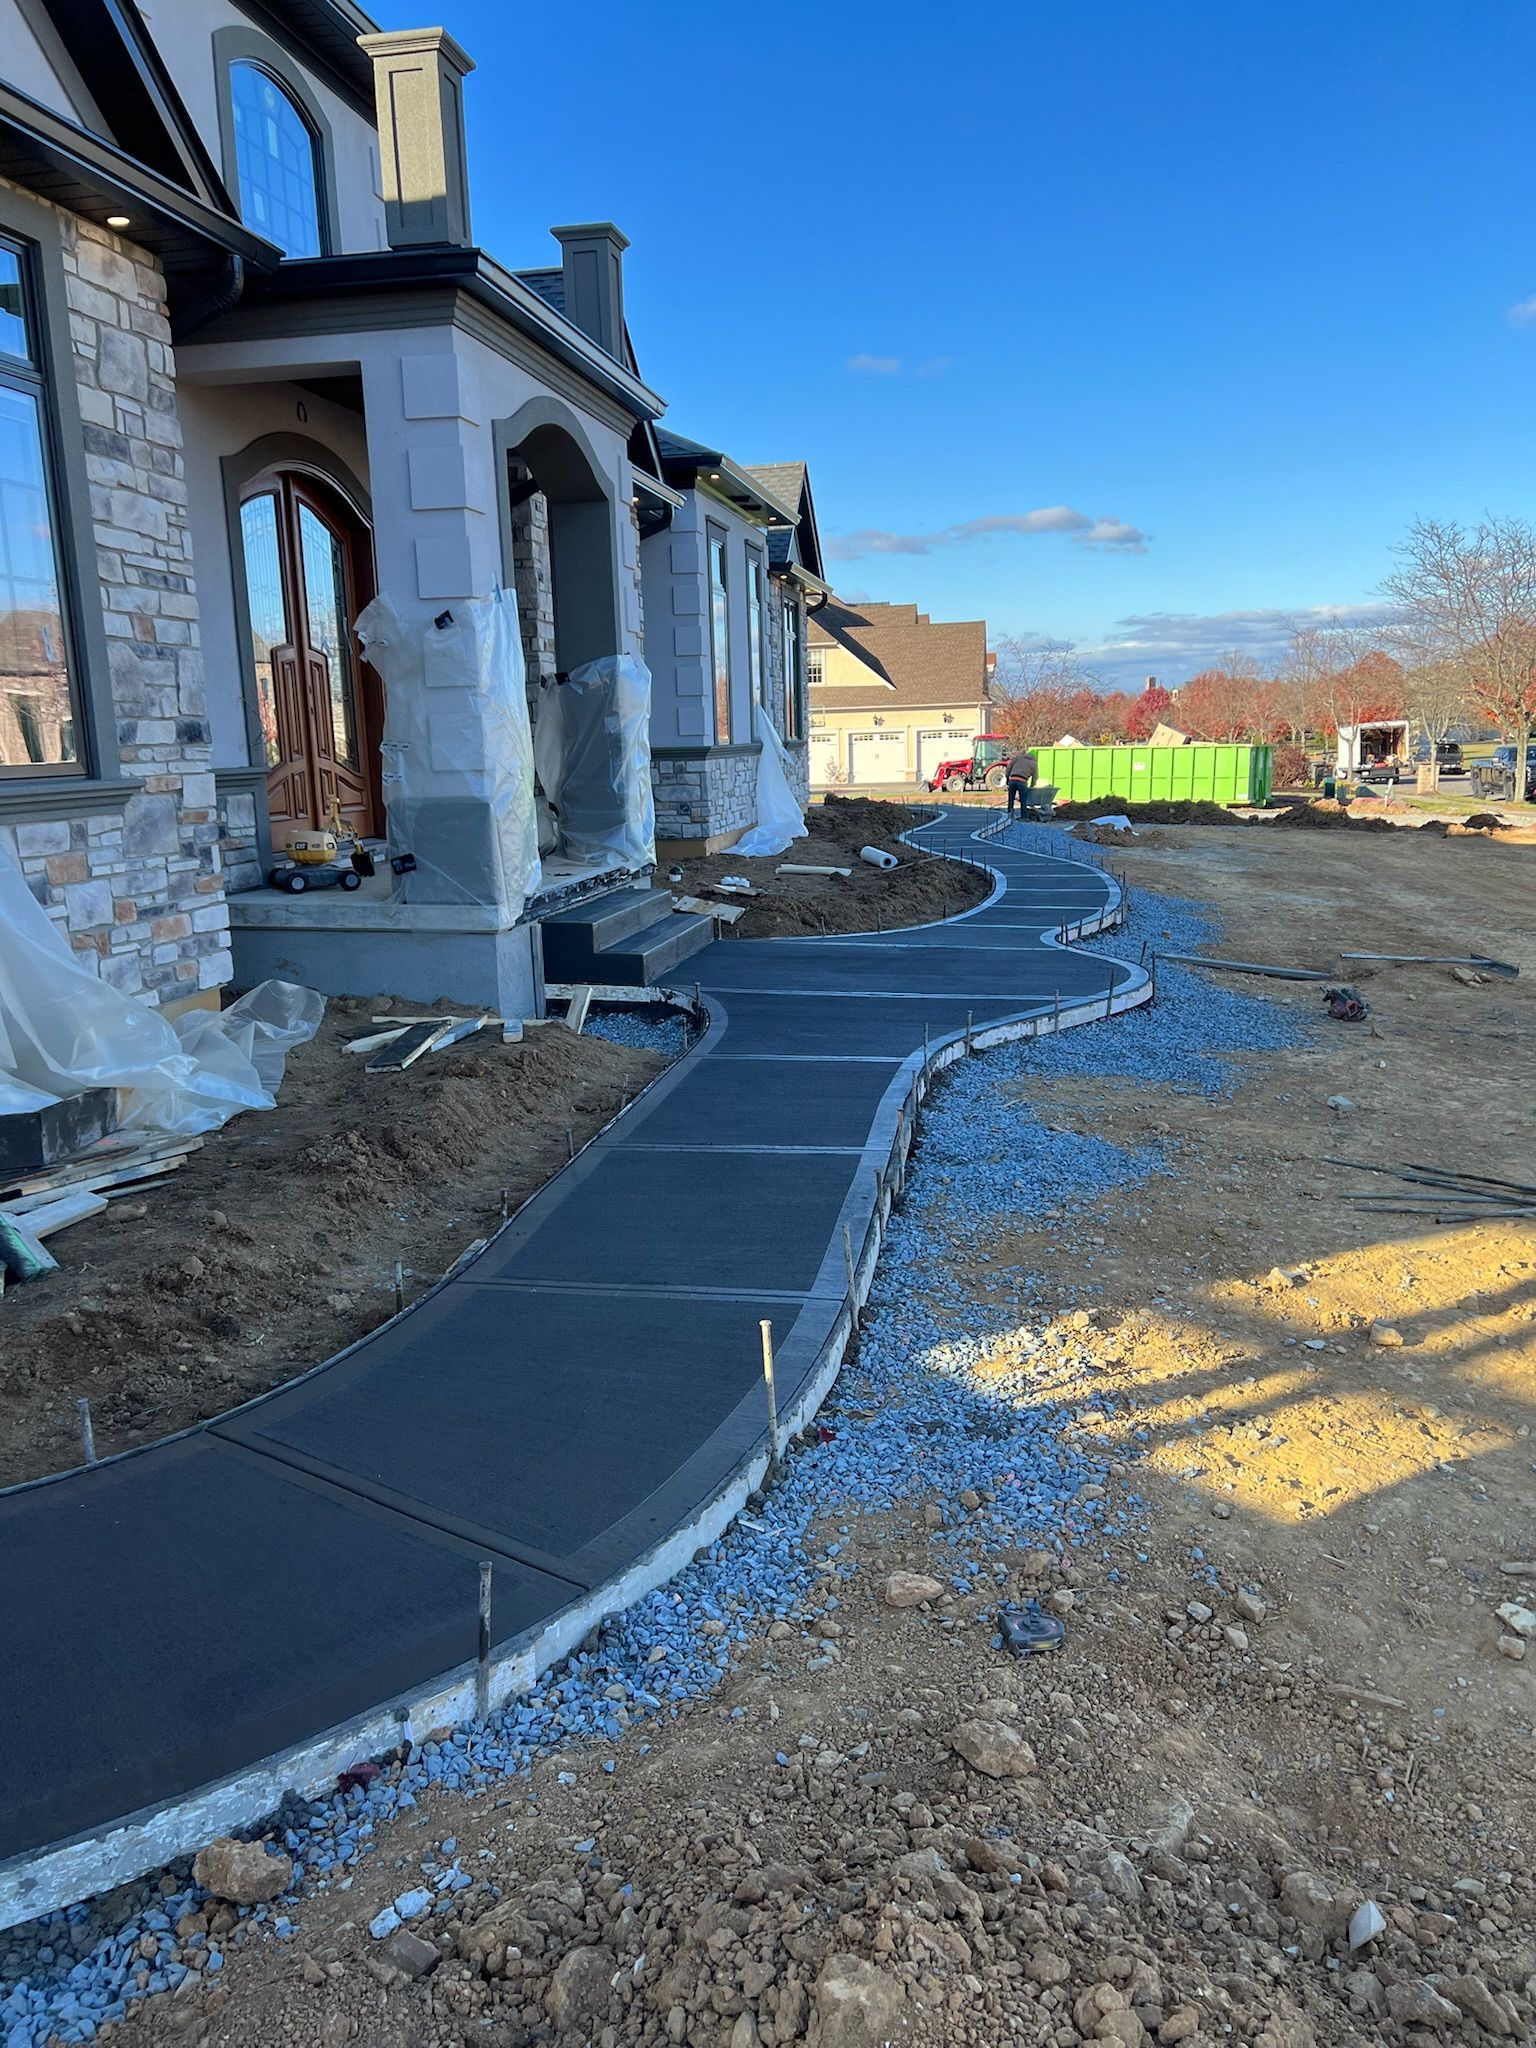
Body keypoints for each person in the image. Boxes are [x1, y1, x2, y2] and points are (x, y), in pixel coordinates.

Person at [1005, 746, 1038, 816]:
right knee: (1023, 800)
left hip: (1012, 779)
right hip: (1022, 781)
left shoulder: (1018, 758)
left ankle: (1010, 812)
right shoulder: (1034, 764)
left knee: (1011, 798)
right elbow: (1035, 777)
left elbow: (1009, 768)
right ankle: (1023, 815)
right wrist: (1032, 786)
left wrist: (1007, 779)